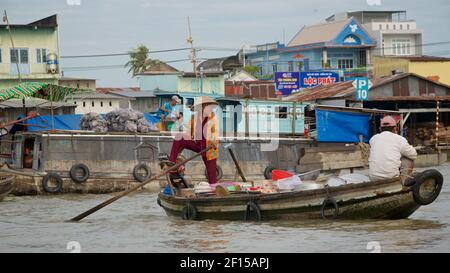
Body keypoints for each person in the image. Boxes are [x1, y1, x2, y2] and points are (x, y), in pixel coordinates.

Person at [166, 96, 219, 185]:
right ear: (202, 107)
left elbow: (215, 134)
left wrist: (213, 142)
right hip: (197, 145)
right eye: (207, 106)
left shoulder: (212, 118)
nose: (209, 109)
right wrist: (180, 149)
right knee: (179, 137)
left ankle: (213, 190)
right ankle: (172, 162)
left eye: (210, 107)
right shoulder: (194, 118)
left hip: (209, 148)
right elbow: (188, 133)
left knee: (211, 173)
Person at [369, 115, 417, 181]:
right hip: (391, 177)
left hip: (373, 178)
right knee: (408, 159)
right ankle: (403, 183)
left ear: (380, 128)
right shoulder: (399, 139)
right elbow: (413, 155)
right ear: (395, 128)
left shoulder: (373, 139)